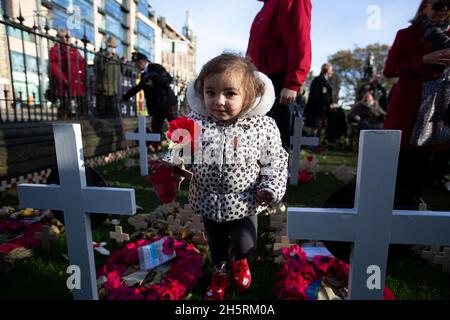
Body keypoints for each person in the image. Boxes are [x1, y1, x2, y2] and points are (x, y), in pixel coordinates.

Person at [170, 54, 288, 300]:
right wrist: (173, 168)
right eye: (211, 92)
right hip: (207, 198)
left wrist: (270, 187)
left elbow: (275, 160)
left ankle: (239, 260)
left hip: (245, 201)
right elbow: (179, 150)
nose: (218, 101)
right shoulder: (196, 122)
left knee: (246, 243)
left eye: (230, 94)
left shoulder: (261, 126)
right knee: (216, 244)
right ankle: (220, 270)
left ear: (249, 96)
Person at [383, 0, 450, 205]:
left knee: (425, 168)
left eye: (449, 5)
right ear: (424, 7)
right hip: (408, 111)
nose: (444, 10)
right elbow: (390, 69)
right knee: (401, 165)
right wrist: (422, 60)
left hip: (438, 111)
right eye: (438, 5)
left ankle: (414, 205)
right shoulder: (406, 35)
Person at [247, 0, 312, 152]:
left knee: (275, 146)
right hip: (257, 82)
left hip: (277, 82)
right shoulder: (266, 7)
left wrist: (292, 83)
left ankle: (278, 176)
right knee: (256, 142)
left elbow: (300, 38)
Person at [122, 52, 178, 151]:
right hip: (158, 105)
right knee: (156, 125)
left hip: (168, 102)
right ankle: (157, 146)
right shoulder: (144, 75)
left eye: (137, 63)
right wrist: (125, 97)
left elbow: (167, 78)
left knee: (175, 124)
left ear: (142, 61)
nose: (136, 65)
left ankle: (182, 146)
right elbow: (138, 87)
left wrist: (154, 77)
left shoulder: (156, 67)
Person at [49, 28, 86, 119]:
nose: (64, 39)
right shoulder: (55, 50)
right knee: (64, 109)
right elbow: (55, 67)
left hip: (77, 86)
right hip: (64, 86)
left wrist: (83, 81)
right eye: (62, 37)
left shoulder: (75, 51)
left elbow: (82, 67)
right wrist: (64, 79)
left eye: (67, 37)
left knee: (79, 110)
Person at [94, 36, 123, 118]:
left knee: (113, 115)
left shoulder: (117, 57)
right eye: (110, 46)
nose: (112, 49)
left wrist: (123, 63)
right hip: (103, 90)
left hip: (113, 91)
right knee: (102, 114)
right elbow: (97, 70)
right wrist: (106, 59)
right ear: (106, 46)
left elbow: (123, 72)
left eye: (114, 47)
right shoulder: (99, 55)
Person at [304, 63, 333, 138]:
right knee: (315, 128)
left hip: (323, 110)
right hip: (316, 110)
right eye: (331, 70)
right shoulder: (318, 80)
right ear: (327, 70)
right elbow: (315, 96)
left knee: (319, 128)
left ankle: (316, 145)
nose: (332, 72)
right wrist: (322, 107)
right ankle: (311, 145)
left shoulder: (326, 82)